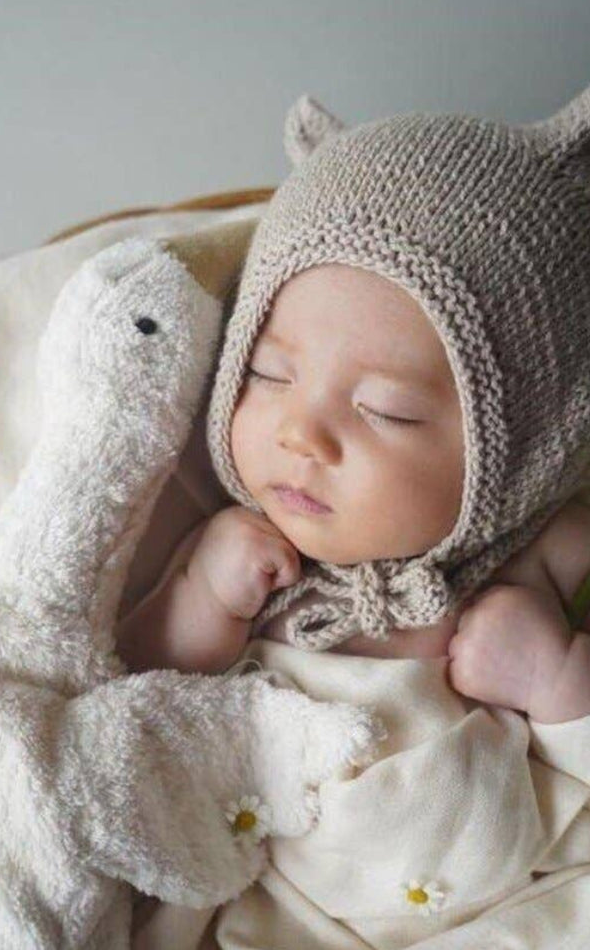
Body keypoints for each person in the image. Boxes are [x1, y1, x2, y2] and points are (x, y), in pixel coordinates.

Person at [121, 85, 590, 948]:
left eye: (387, 410)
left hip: (508, 913)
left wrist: (559, 683)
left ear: (524, 450)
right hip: (262, 913)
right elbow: (135, 703)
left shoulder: (549, 549)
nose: (301, 433)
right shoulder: (241, 550)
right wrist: (196, 597)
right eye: (266, 373)